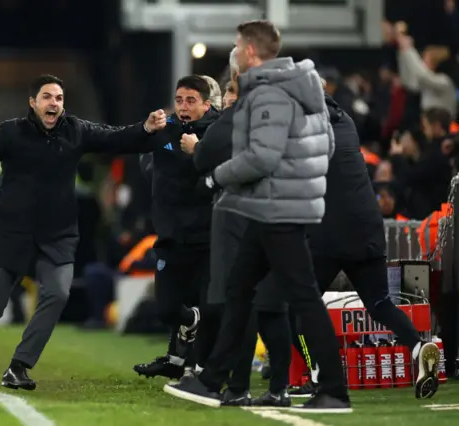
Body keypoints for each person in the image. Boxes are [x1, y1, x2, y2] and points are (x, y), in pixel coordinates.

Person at [163, 20, 352, 413]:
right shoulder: (302, 86)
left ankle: (333, 390)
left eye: (236, 46)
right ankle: (215, 380)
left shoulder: (270, 93)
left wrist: (217, 177)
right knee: (239, 291)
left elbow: (263, 157)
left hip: (277, 207)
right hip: (275, 203)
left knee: (300, 296)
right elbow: (327, 144)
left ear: (249, 52)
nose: (233, 53)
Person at [0, 74, 167, 392]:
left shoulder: (77, 130)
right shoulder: (12, 131)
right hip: (12, 234)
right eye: (47, 97)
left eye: (59, 98)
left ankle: (19, 366)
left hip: (58, 235)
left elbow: (116, 138)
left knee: (58, 293)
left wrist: (146, 128)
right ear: (33, 103)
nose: (54, 103)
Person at [285, 94, 442, 400]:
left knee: (295, 306)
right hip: (368, 227)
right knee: (380, 303)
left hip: (330, 233)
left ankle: (319, 374)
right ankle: (418, 346)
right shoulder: (346, 122)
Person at [133, 75, 220, 380]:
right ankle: (184, 341)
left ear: (207, 105)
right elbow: (141, 151)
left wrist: (198, 152)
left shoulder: (218, 134)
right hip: (171, 235)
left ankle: (199, 368)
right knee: (167, 309)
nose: (183, 107)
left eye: (191, 101)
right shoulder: (165, 128)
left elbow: (227, 171)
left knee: (212, 307)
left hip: (208, 236)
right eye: (179, 100)